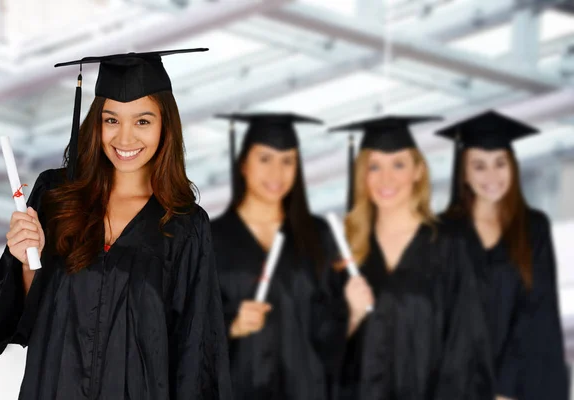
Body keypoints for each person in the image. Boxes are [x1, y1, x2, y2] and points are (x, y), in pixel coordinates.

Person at [0, 49, 232, 400]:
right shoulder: (55, 195)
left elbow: (196, 352)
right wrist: (25, 263)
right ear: (96, 122)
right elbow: (23, 323)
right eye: (111, 120)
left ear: (165, 125)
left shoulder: (185, 226)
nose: (124, 139)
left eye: (142, 121)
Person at [331, 116, 494, 400]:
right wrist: (351, 317)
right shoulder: (344, 252)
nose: (386, 179)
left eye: (398, 164)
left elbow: (467, 346)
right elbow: (310, 353)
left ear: (418, 171)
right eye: (374, 166)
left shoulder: (450, 247)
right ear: (362, 175)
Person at [211, 113, 358, 400]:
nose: (276, 173)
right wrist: (231, 325)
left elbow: (331, 330)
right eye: (265, 159)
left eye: (287, 160)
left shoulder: (319, 235)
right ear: (243, 163)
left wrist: (352, 310)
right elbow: (184, 326)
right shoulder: (208, 239)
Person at [436, 110, 568, 400]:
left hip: (518, 386)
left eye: (500, 164)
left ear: (513, 167)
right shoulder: (442, 232)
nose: (492, 176)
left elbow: (537, 309)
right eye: (479, 166)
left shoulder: (533, 228)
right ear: (464, 173)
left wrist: (504, 389)